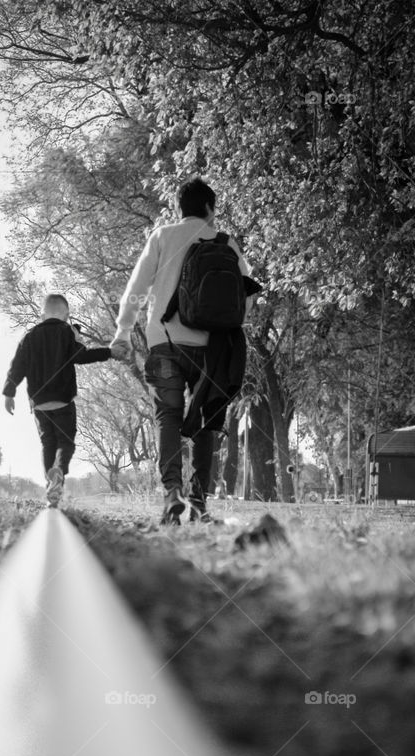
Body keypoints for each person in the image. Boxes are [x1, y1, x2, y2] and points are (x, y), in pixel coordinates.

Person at [110, 179, 260, 525]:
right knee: (207, 422)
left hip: (164, 342)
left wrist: (122, 331)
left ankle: (171, 493)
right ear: (210, 208)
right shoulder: (226, 242)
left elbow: (136, 288)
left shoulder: (162, 236)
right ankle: (198, 502)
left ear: (181, 207)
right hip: (211, 347)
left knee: (169, 416)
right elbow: (247, 294)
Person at [3, 294, 113, 507]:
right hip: (63, 400)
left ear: (42, 314)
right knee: (66, 442)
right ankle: (59, 474)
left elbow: (17, 366)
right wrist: (108, 352)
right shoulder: (66, 331)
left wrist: (9, 392)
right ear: (67, 315)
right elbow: (81, 356)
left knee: (47, 443)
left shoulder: (29, 336)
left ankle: (50, 485)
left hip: (40, 403)